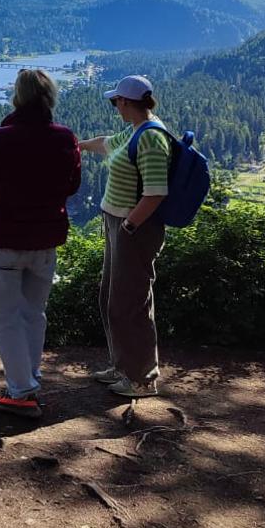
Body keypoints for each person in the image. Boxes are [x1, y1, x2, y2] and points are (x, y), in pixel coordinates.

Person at [0, 69, 81, 418]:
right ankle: (29, 380)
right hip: (45, 239)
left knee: (4, 317)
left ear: (18, 96)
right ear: (49, 96)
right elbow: (72, 185)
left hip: (5, 238)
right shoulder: (64, 138)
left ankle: (21, 394)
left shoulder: (1, 138)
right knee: (34, 313)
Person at [78, 74, 171, 399]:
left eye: (115, 101)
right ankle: (122, 366)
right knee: (111, 299)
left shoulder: (151, 138)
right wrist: (78, 145)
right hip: (119, 224)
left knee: (131, 302)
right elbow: (107, 143)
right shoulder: (133, 131)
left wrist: (130, 226)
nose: (114, 105)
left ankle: (143, 378)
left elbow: (156, 192)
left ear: (127, 102)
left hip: (134, 229)